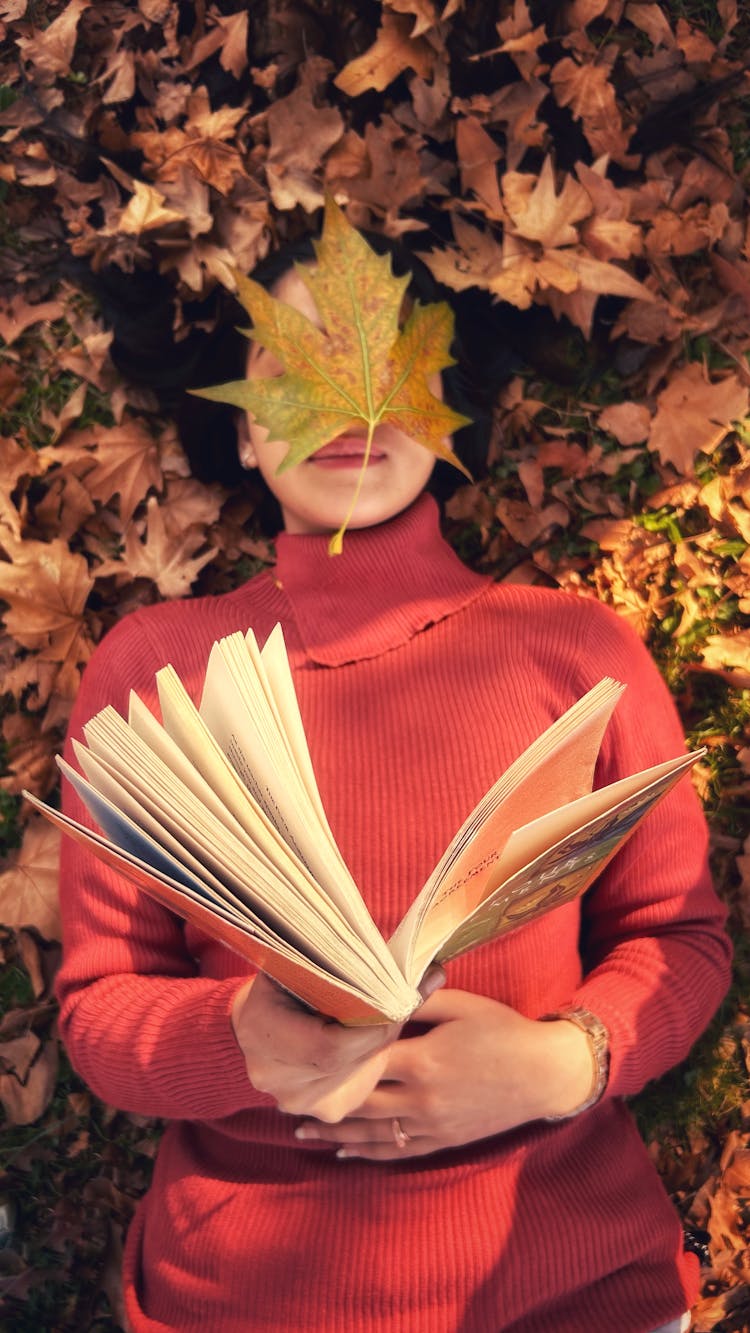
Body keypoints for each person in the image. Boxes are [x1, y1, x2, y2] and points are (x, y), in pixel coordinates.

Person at [56, 229, 731, 1333]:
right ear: (241, 427)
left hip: (573, 1284)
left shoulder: (575, 647)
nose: (348, 403)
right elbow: (98, 1012)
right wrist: (240, 1037)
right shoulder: (154, 668)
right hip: (243, 1298)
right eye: (297, 371)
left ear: (447, 407)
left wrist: (567, 1063)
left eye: (386, 365)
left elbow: (681, 939)